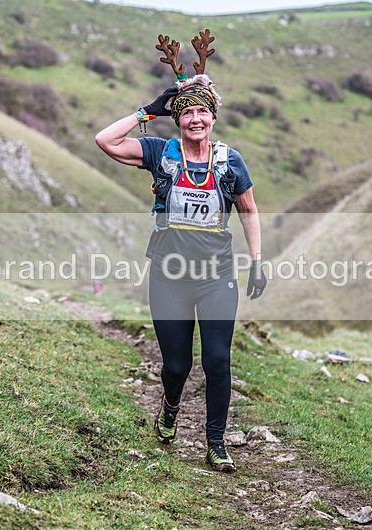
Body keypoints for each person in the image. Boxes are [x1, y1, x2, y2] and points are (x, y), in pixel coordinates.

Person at [95, 34, 266, 472]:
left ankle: (216, 443)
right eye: (186, 111)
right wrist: (147, 110)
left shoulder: (230, 160)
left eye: (202, 111)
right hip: (169, 275)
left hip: (216, 276)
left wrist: (257, 260)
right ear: (177, 119)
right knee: (176, 365)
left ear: (213, 117)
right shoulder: (159, 151)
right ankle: (170, 407)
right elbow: (105, 140)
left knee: (217, 360)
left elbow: (247, 209)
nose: (195, 119)